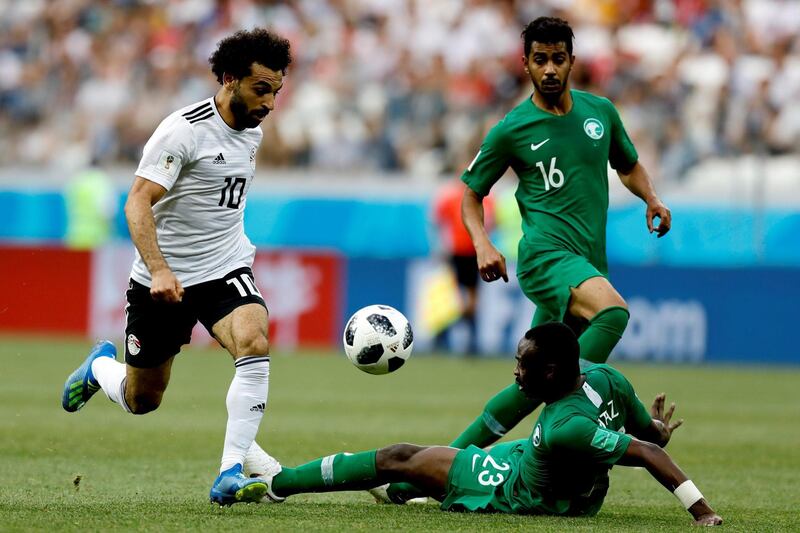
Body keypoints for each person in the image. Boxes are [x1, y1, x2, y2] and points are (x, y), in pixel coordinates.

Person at [385, 18, 675, 500]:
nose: (549, 68)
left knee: (527, 389)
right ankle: (569, 411)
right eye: (539, 59)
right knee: (614, 313)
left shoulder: (600, 113)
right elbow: (470, 195)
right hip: (544, 258)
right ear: (525, 64)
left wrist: (651, 198)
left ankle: (419, 478)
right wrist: (482, 243)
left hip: (586, 262)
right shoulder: (512, 129)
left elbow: (627, 164)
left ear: (572, 61)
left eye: (557, 58)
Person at [61, 28, 291, 505]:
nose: (269, 102)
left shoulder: (254, 129)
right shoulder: (181, 131)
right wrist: (161, 269)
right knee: (142, 400)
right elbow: (137, 203)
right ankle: (101, 368)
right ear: (229, 79)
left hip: (225, 265)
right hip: (162, 280)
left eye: (277, 91)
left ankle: (230, 470)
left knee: (254, 341)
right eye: (261, 89)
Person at [242, 323, 722, 526]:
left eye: (522, 364)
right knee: (417, 474)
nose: (515, 372)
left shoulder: (565, 426)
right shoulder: (606, 378)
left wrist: (701, 512)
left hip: (519, 491)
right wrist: (657, 427)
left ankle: (277, 484)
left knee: (400, 457)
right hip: (532, 462)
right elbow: (649, 435)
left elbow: (647, 453)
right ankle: (401, 492)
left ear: (551, 372)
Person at [431, 178, 494, 353]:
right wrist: (442, 245)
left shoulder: (485, 199)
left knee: (471, 300)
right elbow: (438, 220)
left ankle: (457, 336)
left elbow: (491, 222)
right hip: (458, 253)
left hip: (476, 253)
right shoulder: (453, 198)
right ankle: (452, 335)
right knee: (458, 299)